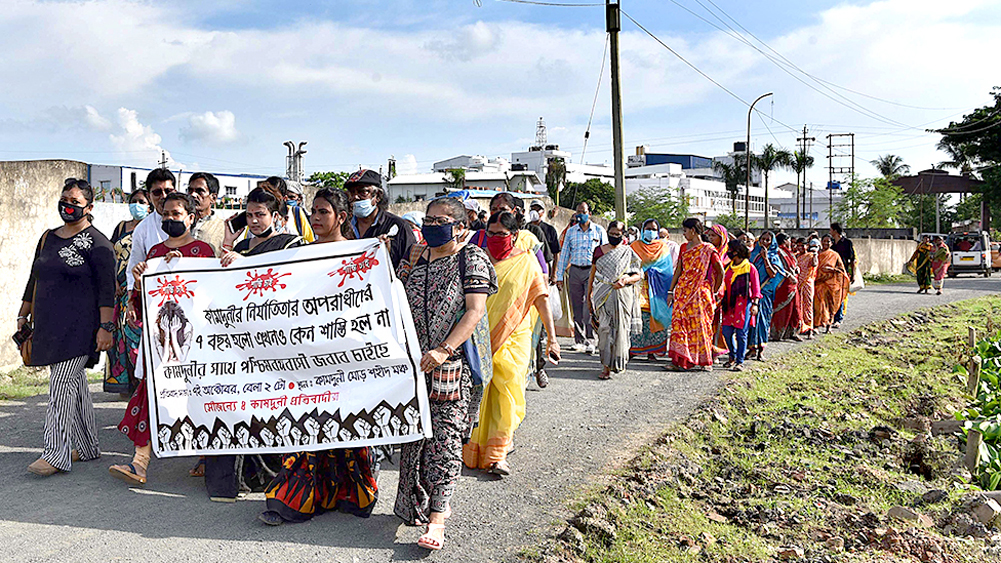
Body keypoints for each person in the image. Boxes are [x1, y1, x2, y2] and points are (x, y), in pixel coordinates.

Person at [260, 188, 379, 525]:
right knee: (302, 423)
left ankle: (349, 494)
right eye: (313, 210)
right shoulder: (300, 253)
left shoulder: (361, 254)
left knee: (345, 422)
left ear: (342, 217)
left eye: (324, 211)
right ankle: (290, 501)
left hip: (346, 355)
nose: (315, 216)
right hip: (304, 354)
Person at [394, 197, 497, 550]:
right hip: (414, 365)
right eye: (428, 219)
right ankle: (421, 502)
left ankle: (437, 519)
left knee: (444, 442)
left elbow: (475, 311)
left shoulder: (472, 258)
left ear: (460, 226)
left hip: (450, 365)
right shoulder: (416, 257)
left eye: (440, 220)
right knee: (414, 439)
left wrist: (443, 350)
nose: (432, 225)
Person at [110, 193, 216, 486]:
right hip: (160, 341)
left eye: (177, 214)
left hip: (195, 342)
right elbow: (144, 300)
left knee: (198, 396)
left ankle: (208, 456)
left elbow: (214, 293)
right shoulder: (154, 253)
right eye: (165, 214)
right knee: (150, 394)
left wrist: (187, 268)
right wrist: (140, 283)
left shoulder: (203, 251)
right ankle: (139, 463)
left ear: (191, 218)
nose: (170, 219)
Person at [209, 188, 305, 501]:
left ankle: (277, 472)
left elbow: (292, 282)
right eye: (249, 215)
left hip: (276, 337)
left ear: (277, 216)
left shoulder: (292, 245)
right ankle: (240, 476)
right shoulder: (241, 246)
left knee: (273, 406)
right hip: (240, 337)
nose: (253, 221)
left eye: (260, 214)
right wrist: (228, 246)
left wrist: (245, 264)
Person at [17, 178, 115, 476]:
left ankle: (56, 453)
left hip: (80, 328)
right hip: (48, 325)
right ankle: (87, 446)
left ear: (89, 207)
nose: (68, 206)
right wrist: (23, 315)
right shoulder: (48, 237)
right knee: (76, 386)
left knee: (60, 385)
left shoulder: (99, 244)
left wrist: (106, 327)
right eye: (64, 200)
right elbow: (35, 279)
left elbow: (107, 290)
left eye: (75, 201)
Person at [463, 211, 560, 476]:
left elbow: (541, 299)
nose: (495, 239)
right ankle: (472, 449)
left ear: (515, 235)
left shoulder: (527, 263)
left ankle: (498, 455)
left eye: (501, 235)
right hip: (479, 337)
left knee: (508, 390)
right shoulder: (477, 260)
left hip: (515, 337)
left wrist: (552, 338)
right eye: (491, 234)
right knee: (479, 391)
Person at [104, 189, 150, 396]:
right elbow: (111, 256)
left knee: (136, 335)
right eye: (134, 201)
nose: (137, 205)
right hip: (119, 290)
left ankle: (142, 382)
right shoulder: (122, 227)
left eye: (142, 201)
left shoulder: (152, 227)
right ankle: (124, 383)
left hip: (139, 290)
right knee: (119, 336)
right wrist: (114, 281)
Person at [666, 218, 723, 371]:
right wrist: (671, 291)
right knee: (679, 325)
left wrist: (714, 290)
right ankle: (680, 361)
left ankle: (705, 361)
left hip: (700, 293)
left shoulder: (708, 249)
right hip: (682, 291)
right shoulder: (684, 247)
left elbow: (720, 271)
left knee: (700, 326)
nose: (683, 234)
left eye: (685, 230)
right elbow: (679, 269)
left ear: (693, 230)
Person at [588, 221, 642, 379]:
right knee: (604, 330)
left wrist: (626, 280)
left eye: (617, 235)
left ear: (623, 235)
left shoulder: (628, 252)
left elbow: (638, 274)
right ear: (607, 233)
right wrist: (589, 294)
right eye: (611, 234)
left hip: (622, 296)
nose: (614, 237)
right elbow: (593, 274)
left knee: (621, 329)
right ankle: (605, 366)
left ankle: (618, 363)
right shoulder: (599, 251)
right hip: (602, 295)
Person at [555, 202, 607, 354]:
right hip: (575, 271)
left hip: (592, 271)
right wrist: (559, 275)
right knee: (576, 307)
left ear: (589, 213)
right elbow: (564, 254)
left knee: (588, 307)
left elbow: (604, 252)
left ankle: (591, 340)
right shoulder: (571, 232)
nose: (580, 215)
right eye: (578, 212)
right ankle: (579, 340)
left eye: (583, 212)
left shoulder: (599, 231)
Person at [345, 168, 416, 268]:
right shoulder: (344, 226)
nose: (355, 197)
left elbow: (410, 265)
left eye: (363, 192)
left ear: (377, 196)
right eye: (352, 192)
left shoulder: (399, 227)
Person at [629, 219, 676, 360]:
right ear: (643, 230)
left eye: (654, 229)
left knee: (654, 318)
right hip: (638, 287)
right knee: (638, 317)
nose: (651, 231)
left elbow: (667, 271)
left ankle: (652, 351)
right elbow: (629, 265)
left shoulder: (662, 247)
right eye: (648, 228)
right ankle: (634, 349)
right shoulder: (634, 246)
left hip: (658, 291)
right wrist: (640, 273)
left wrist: (652, 272)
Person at [126, 168, 177, 291]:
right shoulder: (142, 229)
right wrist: (131, 301)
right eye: (157, 192)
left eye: (168, 191)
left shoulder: (189, 222)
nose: (163, 196)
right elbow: (134, 267)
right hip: (155, 294)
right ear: (149, 196)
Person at [720, 240, 760, 371]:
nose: (729, 253)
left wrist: (755, 304)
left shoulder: (750, 268)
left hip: (743, 305)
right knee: (726, 332)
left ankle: (739, 361)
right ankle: (732, 355)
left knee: (741, 334)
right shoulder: (727, 267)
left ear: (737, 252)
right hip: (728, 305)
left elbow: (756, 288)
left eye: (731, 250)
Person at [748, 231, 785, 361]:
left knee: (763, 321)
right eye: (762, 239)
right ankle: (751, 348)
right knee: (751, 321)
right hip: (752, 292)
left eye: (767, 240)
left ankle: (761, 350)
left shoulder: (774, 257)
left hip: (765, 293)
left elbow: (773, 274)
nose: (764, 242)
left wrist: (765, 258)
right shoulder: (752, 255)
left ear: (772, 242)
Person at [260, 176, 315, 242]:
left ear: (284, 198)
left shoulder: (296, 213)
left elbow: (309, 240)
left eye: (274, 198)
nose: (270, 202)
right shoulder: (255, 216)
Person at [814, 234, 850, 333]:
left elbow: (841, 270)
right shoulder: (816, 254)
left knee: (830, 305)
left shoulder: (835, 255)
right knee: (818, 306)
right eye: (824, 241)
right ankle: (816, 326)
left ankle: (828, 326)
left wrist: (832, 270)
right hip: (818, 283)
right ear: (821, 242)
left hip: (831, 284)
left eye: (828, 241)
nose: (826, 243)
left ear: (832, 243)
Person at [770, 233, 803, 342]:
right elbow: (779, 267)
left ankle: (792, 332)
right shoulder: (778, 252)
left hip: (793, 284)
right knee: (783, 309)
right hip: (784, 284)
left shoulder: (789, 252)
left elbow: (793, 264)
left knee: (795, 308)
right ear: (785, 240)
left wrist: (796, 269)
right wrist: (789, 275)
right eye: (789, 239)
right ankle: (777, 333)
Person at [706, 224, 731, 356]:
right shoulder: (707, 251)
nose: (710, 238)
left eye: (713, 236)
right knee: (709, 322)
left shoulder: (729, 254)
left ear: (721, 237)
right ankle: (708, 349)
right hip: (708, 291)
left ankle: (717, 349)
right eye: (709, 235)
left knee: (721, 323)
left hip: (725, 293)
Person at [187, 172, 226, 255]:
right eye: (190, 191)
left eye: (199, 191)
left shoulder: (224, 229)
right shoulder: (180, 223)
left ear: (213, 198)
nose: (193, 195)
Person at [829, 223, 855, 327]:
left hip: (842, 273)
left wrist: (852, 275)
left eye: (831, 230)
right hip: (831, 272)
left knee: (840, 295)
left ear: (835, 230)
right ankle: (831, 317)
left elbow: (852, 260)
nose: (830, 232)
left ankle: (838, 318)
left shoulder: (847, 243)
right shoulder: (831, 244)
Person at [529, 200, 561, 280]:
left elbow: (556, 253)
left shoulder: (550, 230)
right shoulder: (526, 228)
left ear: (542, 212)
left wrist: (554, 273)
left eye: (537, 210)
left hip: (544, 268)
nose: (534, 212)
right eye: (532, 209)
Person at [797, 238, 819, 339]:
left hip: (807, 283)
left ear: (807, 246)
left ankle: (810, 329)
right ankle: (800, 328)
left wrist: (815, 254)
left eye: (803, 245)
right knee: (799, 306)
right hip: (798, 283)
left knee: (808, 306)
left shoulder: (810, 256)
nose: (800, 248)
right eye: (799, 245)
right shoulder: (796, 256)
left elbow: (814, 264)